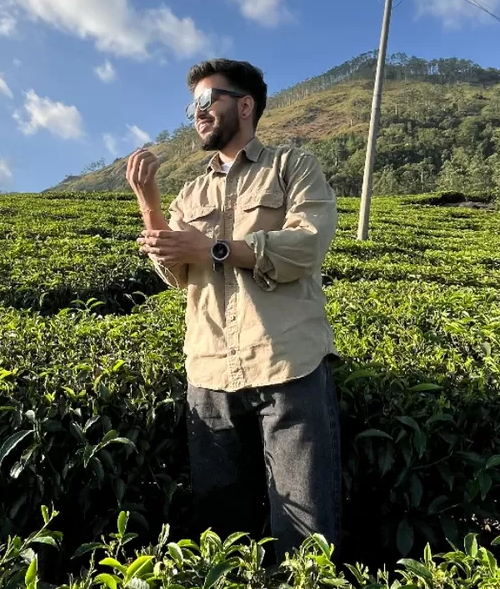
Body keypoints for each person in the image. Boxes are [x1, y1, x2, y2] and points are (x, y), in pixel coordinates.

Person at [126, 58, 341, 558]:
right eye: (192, 106)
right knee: (222, 536)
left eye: (207, 101)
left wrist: (217, 249)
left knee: (305, 534)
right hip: (209, 375)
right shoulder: (190, 191)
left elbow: (308, 245)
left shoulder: (292, 167)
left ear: (244, 105)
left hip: (287, 365)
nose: (197, 114)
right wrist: (149, 201)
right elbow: (177, 273)